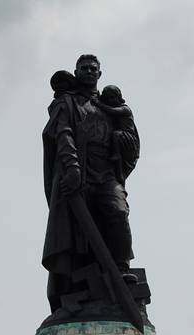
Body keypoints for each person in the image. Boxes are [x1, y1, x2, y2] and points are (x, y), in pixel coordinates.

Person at [41, 55, 141, 315]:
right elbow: (62, 134)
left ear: (100, 74)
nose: (88, 72)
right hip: (80, 174)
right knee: (78, 234)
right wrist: (72, 167)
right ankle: (77, 289)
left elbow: (132, 140)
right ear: (76, 72)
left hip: (106, 172)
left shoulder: (109, 105)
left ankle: (121, 269)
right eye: (83, 68)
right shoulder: (67, 103)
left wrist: (124, 141)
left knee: (118, 213)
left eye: (93, 69)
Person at [92, 85, 136, 184]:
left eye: (113, 98)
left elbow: (111, 111)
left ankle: (116, 154)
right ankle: (119, 174)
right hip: (120, 137)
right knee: (118, 160)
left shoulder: (125, 109)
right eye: (107, 98)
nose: (110, 100)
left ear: (119, 97)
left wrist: (98, 104)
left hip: (126, 135)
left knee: (115, 135)